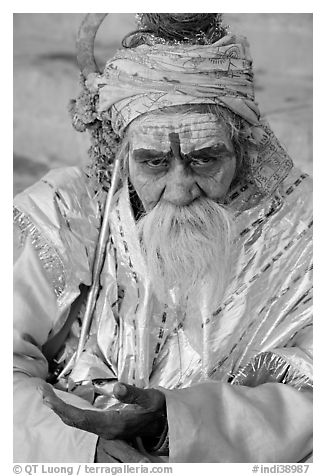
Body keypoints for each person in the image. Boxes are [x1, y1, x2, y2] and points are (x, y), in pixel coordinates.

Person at [13, 13, 312, 463]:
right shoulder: (62, 213)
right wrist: (84, 449)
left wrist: (177, 425)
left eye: (205, 159)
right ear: (120, 157)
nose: (180, 189)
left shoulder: (304, 235)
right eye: (153, 162)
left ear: (244, 151)